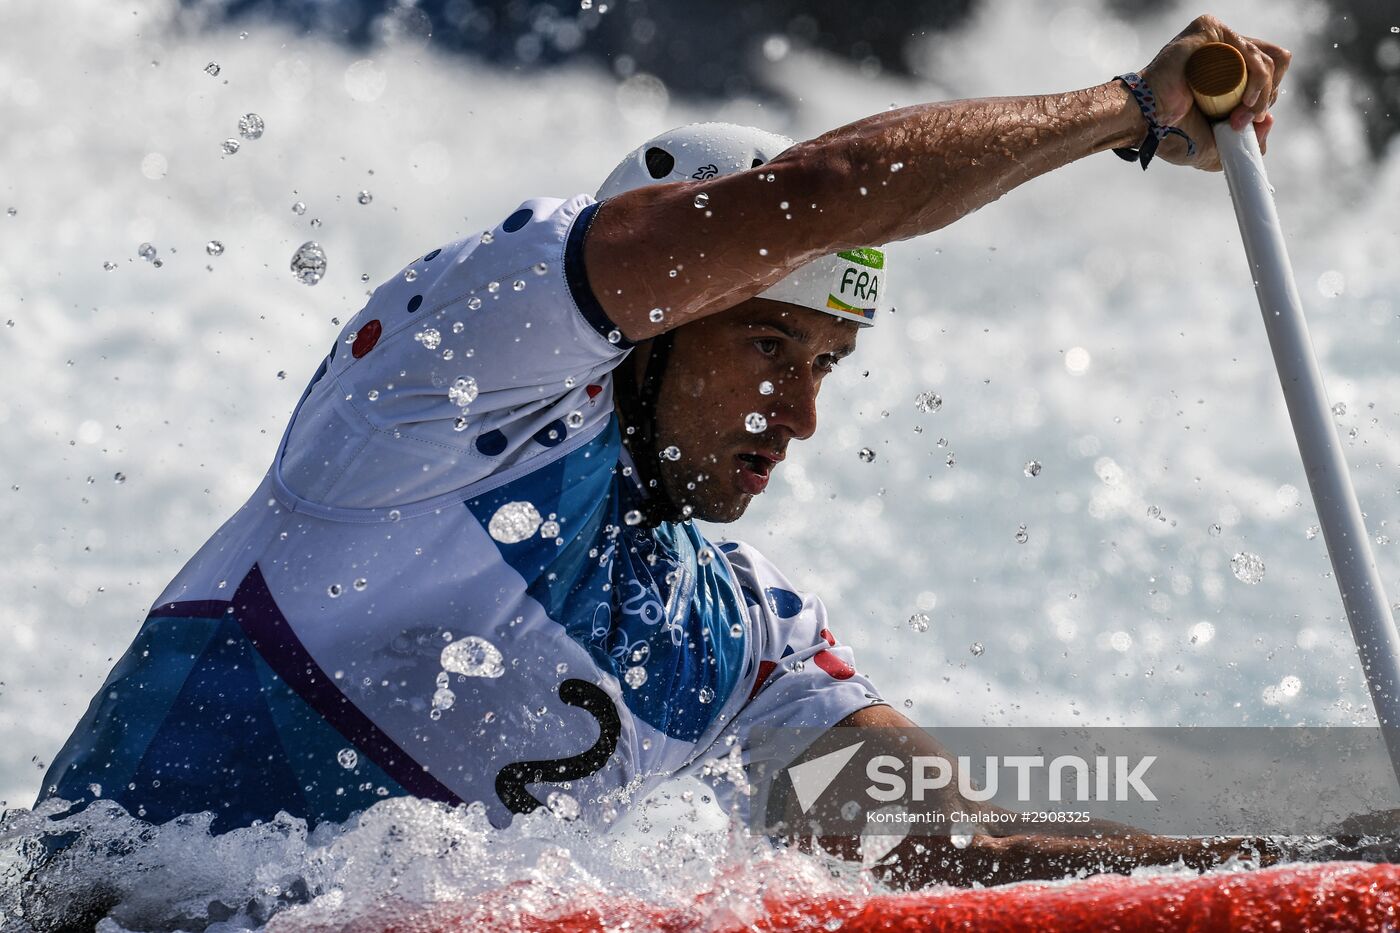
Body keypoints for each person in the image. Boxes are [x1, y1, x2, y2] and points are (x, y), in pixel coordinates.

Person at [41, 14, 1289, 886]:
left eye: (824, 370)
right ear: (653, 330)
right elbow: (832, 189)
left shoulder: (741, 642)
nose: (798, 418)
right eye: (765, 350)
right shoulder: (455, 373)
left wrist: (1316, 859)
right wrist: (1128, 109)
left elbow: (945, 848)